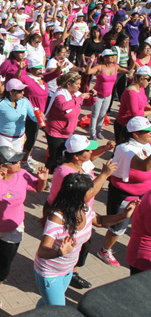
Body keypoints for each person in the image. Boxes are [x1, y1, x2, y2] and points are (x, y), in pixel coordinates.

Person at [34, 173, 139, 306]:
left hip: (67, 270)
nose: (93, 190)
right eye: (90, 189)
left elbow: (99, 221)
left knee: (47, 303)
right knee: (58, 309)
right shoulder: (57, 218)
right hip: (50, 273)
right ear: (78, 195)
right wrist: (59, 252)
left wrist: (124, 215)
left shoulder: (84, 208)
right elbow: (43, 251)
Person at [0, 146, 48, 309]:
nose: (21, 163)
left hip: (14, 228)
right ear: (3, 166)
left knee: (5, 262)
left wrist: (42, 179)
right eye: (16, 161)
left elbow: (38, 188)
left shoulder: (22, 175)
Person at [45, 134, 116, 289]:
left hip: (81, 212)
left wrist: (104, 148)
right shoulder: (66, 173)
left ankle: (71, 273)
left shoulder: (79, 164)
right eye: (88, 150)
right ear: (77, 156)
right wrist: (104, 175)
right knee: (71, 247)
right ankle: (60, 275)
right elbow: (86, 195)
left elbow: (91, 158)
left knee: (80, 248)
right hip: (68, 217)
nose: (91, 152)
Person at [98, 117, 151, 267]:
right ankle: (104, 250)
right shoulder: (124, 149)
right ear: (135, 135)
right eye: (148, 132)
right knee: (119, 228)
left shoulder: (146, 144)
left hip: (145, 194)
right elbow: (144, 166)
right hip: (125, 196)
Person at [44, 72, 93, 173]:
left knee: (64, 157)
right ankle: (45, 176)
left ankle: (59, 174)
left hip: (68, 132)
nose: (80, 86)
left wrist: (93, 96)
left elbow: (88, 103)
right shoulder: (60, 94)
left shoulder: (75, 94)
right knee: (55, 157)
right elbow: (63, 106)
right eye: (78, 84)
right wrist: (79, 98)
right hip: (56, 132)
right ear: (69, 84)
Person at [0, 78, 37, 154]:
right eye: (19, 91)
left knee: (16, 163)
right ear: (11, 92)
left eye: (23, 90)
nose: (23, 92)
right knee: (5, 162)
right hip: (3, 138)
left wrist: (39, 117)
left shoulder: (25, 101)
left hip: (19, 139)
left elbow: (33, 118)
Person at [85, 49, 129, 140]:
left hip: (108, 95)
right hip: (97, 94)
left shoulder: (115, 66)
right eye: (109, 56)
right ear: (104, 58)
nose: (112, 57)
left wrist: (133, 61)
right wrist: (91, 62)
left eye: (113, 55)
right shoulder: (99, 67)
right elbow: (88, 72)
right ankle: (92, 133)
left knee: (102, 114)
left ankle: (99, 130)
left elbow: (128, 71)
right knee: (95, 114)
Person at [114, 66, 151, 144]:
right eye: (149, 80)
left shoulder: (141, 88)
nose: (150, 82)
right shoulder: (131, 93)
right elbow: (136, 114)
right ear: (141, 79)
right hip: (124, 126)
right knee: (122, 150)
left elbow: (145, 104)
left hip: (133, 124)